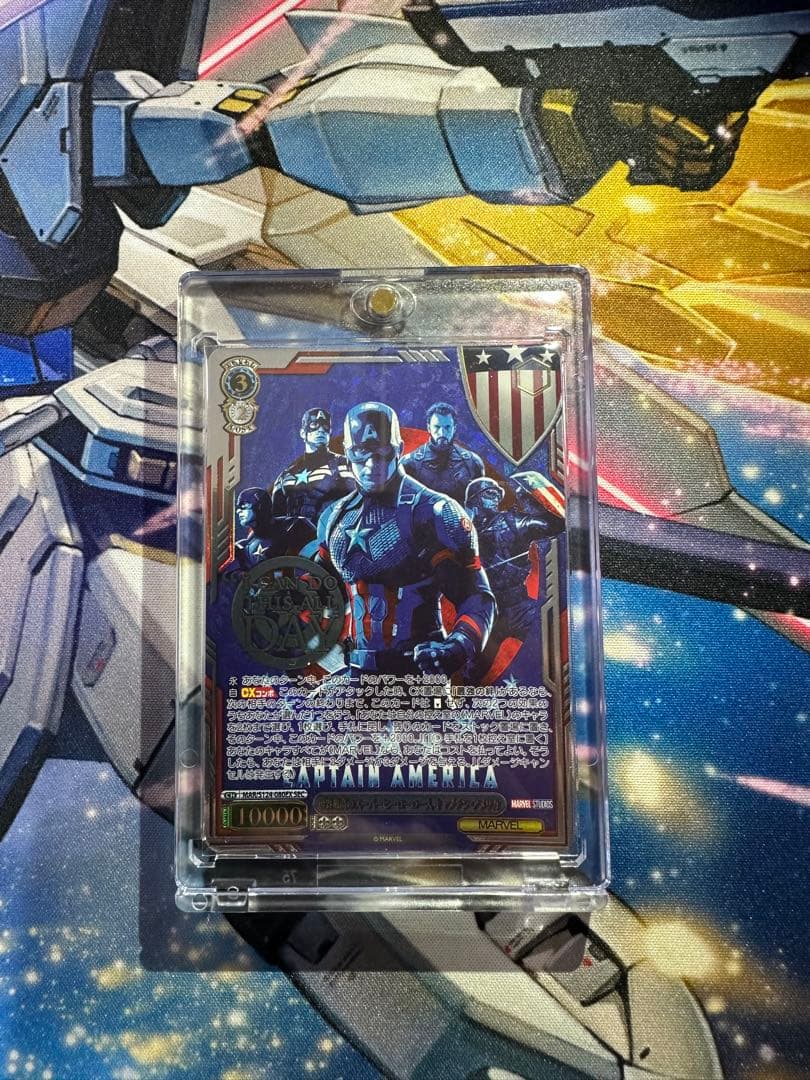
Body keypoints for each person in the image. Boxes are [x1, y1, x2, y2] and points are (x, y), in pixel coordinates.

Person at [317, 402, 496, 676]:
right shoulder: (333, 519)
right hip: (358, 672)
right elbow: (319, 591)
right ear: (347, 452)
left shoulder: (434, 512)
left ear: (399, 449)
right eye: (361, 452)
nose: (371, 464)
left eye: (382, 452)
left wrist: (457, 648)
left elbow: (476, 597)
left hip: (419, 675)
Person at [270, 407, 353, 525]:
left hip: (330, 533)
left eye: (325, 426)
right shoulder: (286, 476)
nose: (321, 430)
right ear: (302, 433)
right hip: (292, 535)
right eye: (314, 425)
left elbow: (359, 505)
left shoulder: (344, 464)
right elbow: (275, 517)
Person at [401, 402, 484, 504]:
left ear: (454, 428)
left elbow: (479, 506)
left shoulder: (472, 463)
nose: (442, 433)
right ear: (429, 428)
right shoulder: (409, 464)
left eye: (447, 427)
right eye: (437, 427)